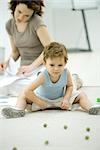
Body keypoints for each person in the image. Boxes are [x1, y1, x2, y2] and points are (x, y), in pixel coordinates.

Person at [2, 42, 100, 118]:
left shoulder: (66, 72)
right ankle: (18, 110)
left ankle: (91, 108)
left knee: (81, 95)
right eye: (52, 65)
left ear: (65, 63)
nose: (56, 69)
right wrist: (39, 103)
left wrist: (66, 99)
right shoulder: (43, 75)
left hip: (60, 100)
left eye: (60, 65)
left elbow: (70, 86)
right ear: (44, 63)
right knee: (23, 95)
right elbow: (28, 91)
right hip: (42, 100)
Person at [0, 0, 53, 75]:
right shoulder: (9, 25)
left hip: (41, 67)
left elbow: (50, 49)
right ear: (14, 7)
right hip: (24, 70)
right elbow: (15, 52)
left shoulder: (37, 22)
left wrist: (31, 67)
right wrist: (6, 63)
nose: (21, 17)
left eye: (27, 15)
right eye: (19, 11)